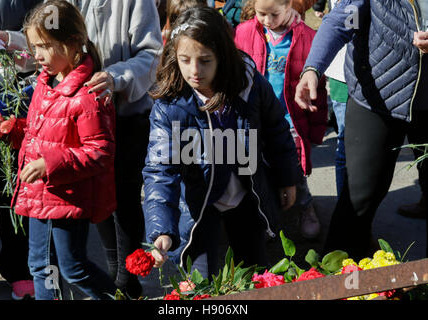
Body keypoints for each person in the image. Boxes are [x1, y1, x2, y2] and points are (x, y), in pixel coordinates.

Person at [0, 0, 163, 299]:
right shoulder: (47, 81)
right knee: (48, 264)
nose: (38, 53)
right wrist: (11, 41)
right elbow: (47, 40)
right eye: (36, 46)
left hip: (115, 114)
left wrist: (115, 77)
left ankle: (126, 288)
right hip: (54, 176)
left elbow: (151, 56)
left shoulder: (134, 4)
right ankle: (119, 287)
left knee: (117, 213)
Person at [143, 6, 300, 278]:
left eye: (205, 60)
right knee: (200, 282)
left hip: (246, 198)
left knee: (253, 275)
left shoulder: (249, 85)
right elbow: (160, 169)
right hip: (198, 204)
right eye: (185, 60)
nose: (195, 71)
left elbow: (277, 130)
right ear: (174, 57)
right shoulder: (169, 104)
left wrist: (288, 178)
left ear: (223, 56)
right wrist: (162, 229)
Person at [295, 0, 428, 259]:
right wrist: (312, 69)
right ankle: (339, 279)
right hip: (378, 96)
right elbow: (341, 20)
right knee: (359, 195)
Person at [234, 0, 327, 240]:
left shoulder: (307, 37)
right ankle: (264, 215)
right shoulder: (244, 32)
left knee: (294, 170)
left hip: (290, 119)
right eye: (260, 13)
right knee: (259, 170)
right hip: (256, 118)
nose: (266, 20)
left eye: (273, 14)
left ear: (289, 5)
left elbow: (320, 89)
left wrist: (317, 128)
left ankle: (305, 206)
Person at [0, 0, 42, 300]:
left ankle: (19, 268)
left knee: (14, 192)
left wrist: (13, 46)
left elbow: (45, 36)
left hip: (14, 104)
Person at [311, 0, 348, 198]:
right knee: (345, 142)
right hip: (343, 74)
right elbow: (334, 26)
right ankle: (346, 208)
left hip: (383, 74)